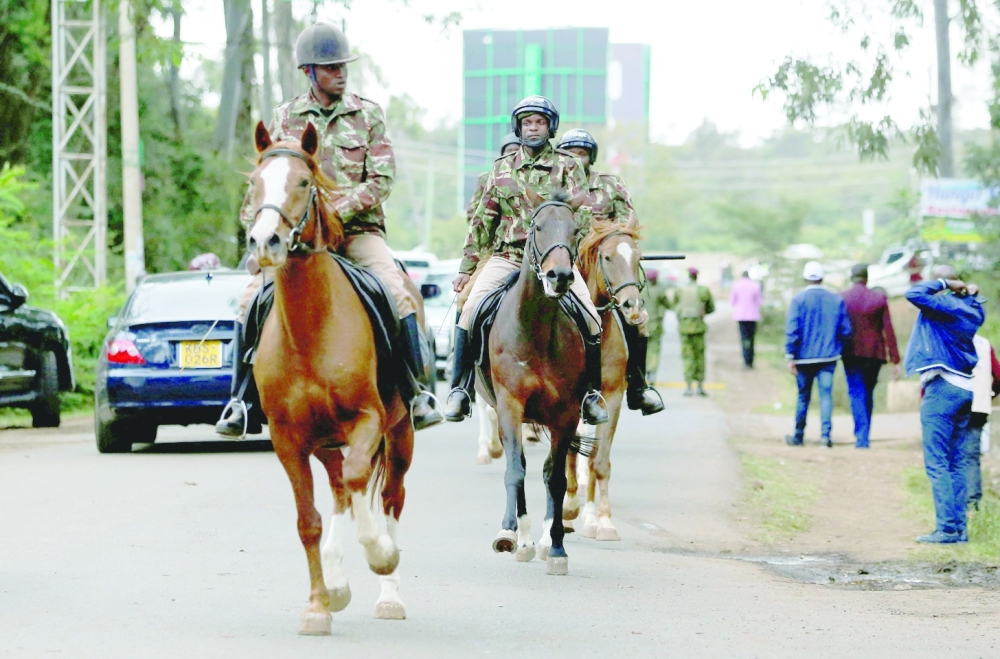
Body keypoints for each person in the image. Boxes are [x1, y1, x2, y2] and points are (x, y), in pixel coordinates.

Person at [216, 22, 443, 437]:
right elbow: (274, 179)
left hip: (358, 234)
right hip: (301, 240)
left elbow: (381, 180)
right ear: (310, 72)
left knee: (397, 290)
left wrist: (334, 209)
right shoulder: (286, 117)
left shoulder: (368, 113)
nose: (341, 72)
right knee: (249, 299)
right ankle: (240, 401)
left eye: (343, 65)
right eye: (331, 67)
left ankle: (416, 392)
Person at [442, 95, 607, 425]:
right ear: (518, 128)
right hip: (509, 256)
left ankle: (591, 394)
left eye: (540, 122)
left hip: (553, 260)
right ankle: (459, 390)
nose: (533, 128)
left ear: (550, 128)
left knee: (591, 317)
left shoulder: (569, 167)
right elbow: (482, 222)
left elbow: (585, 214)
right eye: (528, 122)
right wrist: (467, 269)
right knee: (469, 311)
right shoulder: (500, 170)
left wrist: (565, 252)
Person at [556, 127, 663, 415]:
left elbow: (629, 219)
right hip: (562, 262)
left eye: (582, 153)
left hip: (603, 260)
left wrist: (607, 238)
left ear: (591, 157)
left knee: (638, 317)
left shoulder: (610, 184)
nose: (577, 158)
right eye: (570, 153)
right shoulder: (551, 185)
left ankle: (639, 386)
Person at [904, 265, 985, 543]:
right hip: (965, 387)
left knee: (937, 463)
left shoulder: (943, 304)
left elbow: (913, 292)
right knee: (957, 463)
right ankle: (959, 529)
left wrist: (943, 283)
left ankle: (947, 529)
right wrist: (965, 291)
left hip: (942, 388)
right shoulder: (971, 309)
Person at [784, 261, 852, 448]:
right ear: (822, 278)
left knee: (803, 396)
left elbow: (792, 330)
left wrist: (790, 355)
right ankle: (825, 437)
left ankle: (798, 436)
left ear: (805, 278)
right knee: (825, 396)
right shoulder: (836, 300)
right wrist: (837, 346)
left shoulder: (798, 300)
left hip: (803, 358)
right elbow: (846, 330)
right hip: (828, 357)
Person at [457, 133, 522, 319]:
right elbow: (474, 214)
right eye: (509, 150)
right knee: (465, 298)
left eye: (517, 149)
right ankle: (459, 347)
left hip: (533, 251)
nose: (513, 153)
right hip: (495, 250)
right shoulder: (488, 177)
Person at [839, 263, 901, 449]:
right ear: (867, 278)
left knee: (856, 391)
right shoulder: (879, 298)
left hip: (850, 352)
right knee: (868, 392)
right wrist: (895, 359)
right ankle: (864, 434)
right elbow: (888, 330)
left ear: (852, 277)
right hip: (875, 353)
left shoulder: (842, 298)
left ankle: (862, 436)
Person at [964, 334, 1000, 511]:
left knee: (953, 454)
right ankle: (972, 502)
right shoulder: (984, 344)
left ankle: (957, 499)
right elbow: (998, 375)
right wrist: (990, 394)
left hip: (956, 404)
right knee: (972, 456)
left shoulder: (951, 336)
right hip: (979, 405)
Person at [671, 267, 715, 397]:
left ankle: (689, 386)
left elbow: (675, 307)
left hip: (684, 328)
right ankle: (700, 386)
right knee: (699, 356)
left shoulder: (679, 291)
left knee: (687, 356)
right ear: (697, 276)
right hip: (699, 327)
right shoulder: (703, 291)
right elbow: (711, 308)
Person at [640, 268, 671, 384]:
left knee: (642, 349)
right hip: (655, 325)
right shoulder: (659, 291)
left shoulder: (640, 291)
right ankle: (651, 374)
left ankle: (643, 374)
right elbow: (668, 305)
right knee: (654, 350)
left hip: (641, 325)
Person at [729, 270, 762, 369]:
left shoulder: (736, 285)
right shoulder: (755, 285)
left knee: (744, 338)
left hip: (741, 316)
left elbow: (732, 301)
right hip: (752, 316)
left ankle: (746, 360)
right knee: (751, 338)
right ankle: (750, 361)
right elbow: (759, 301)